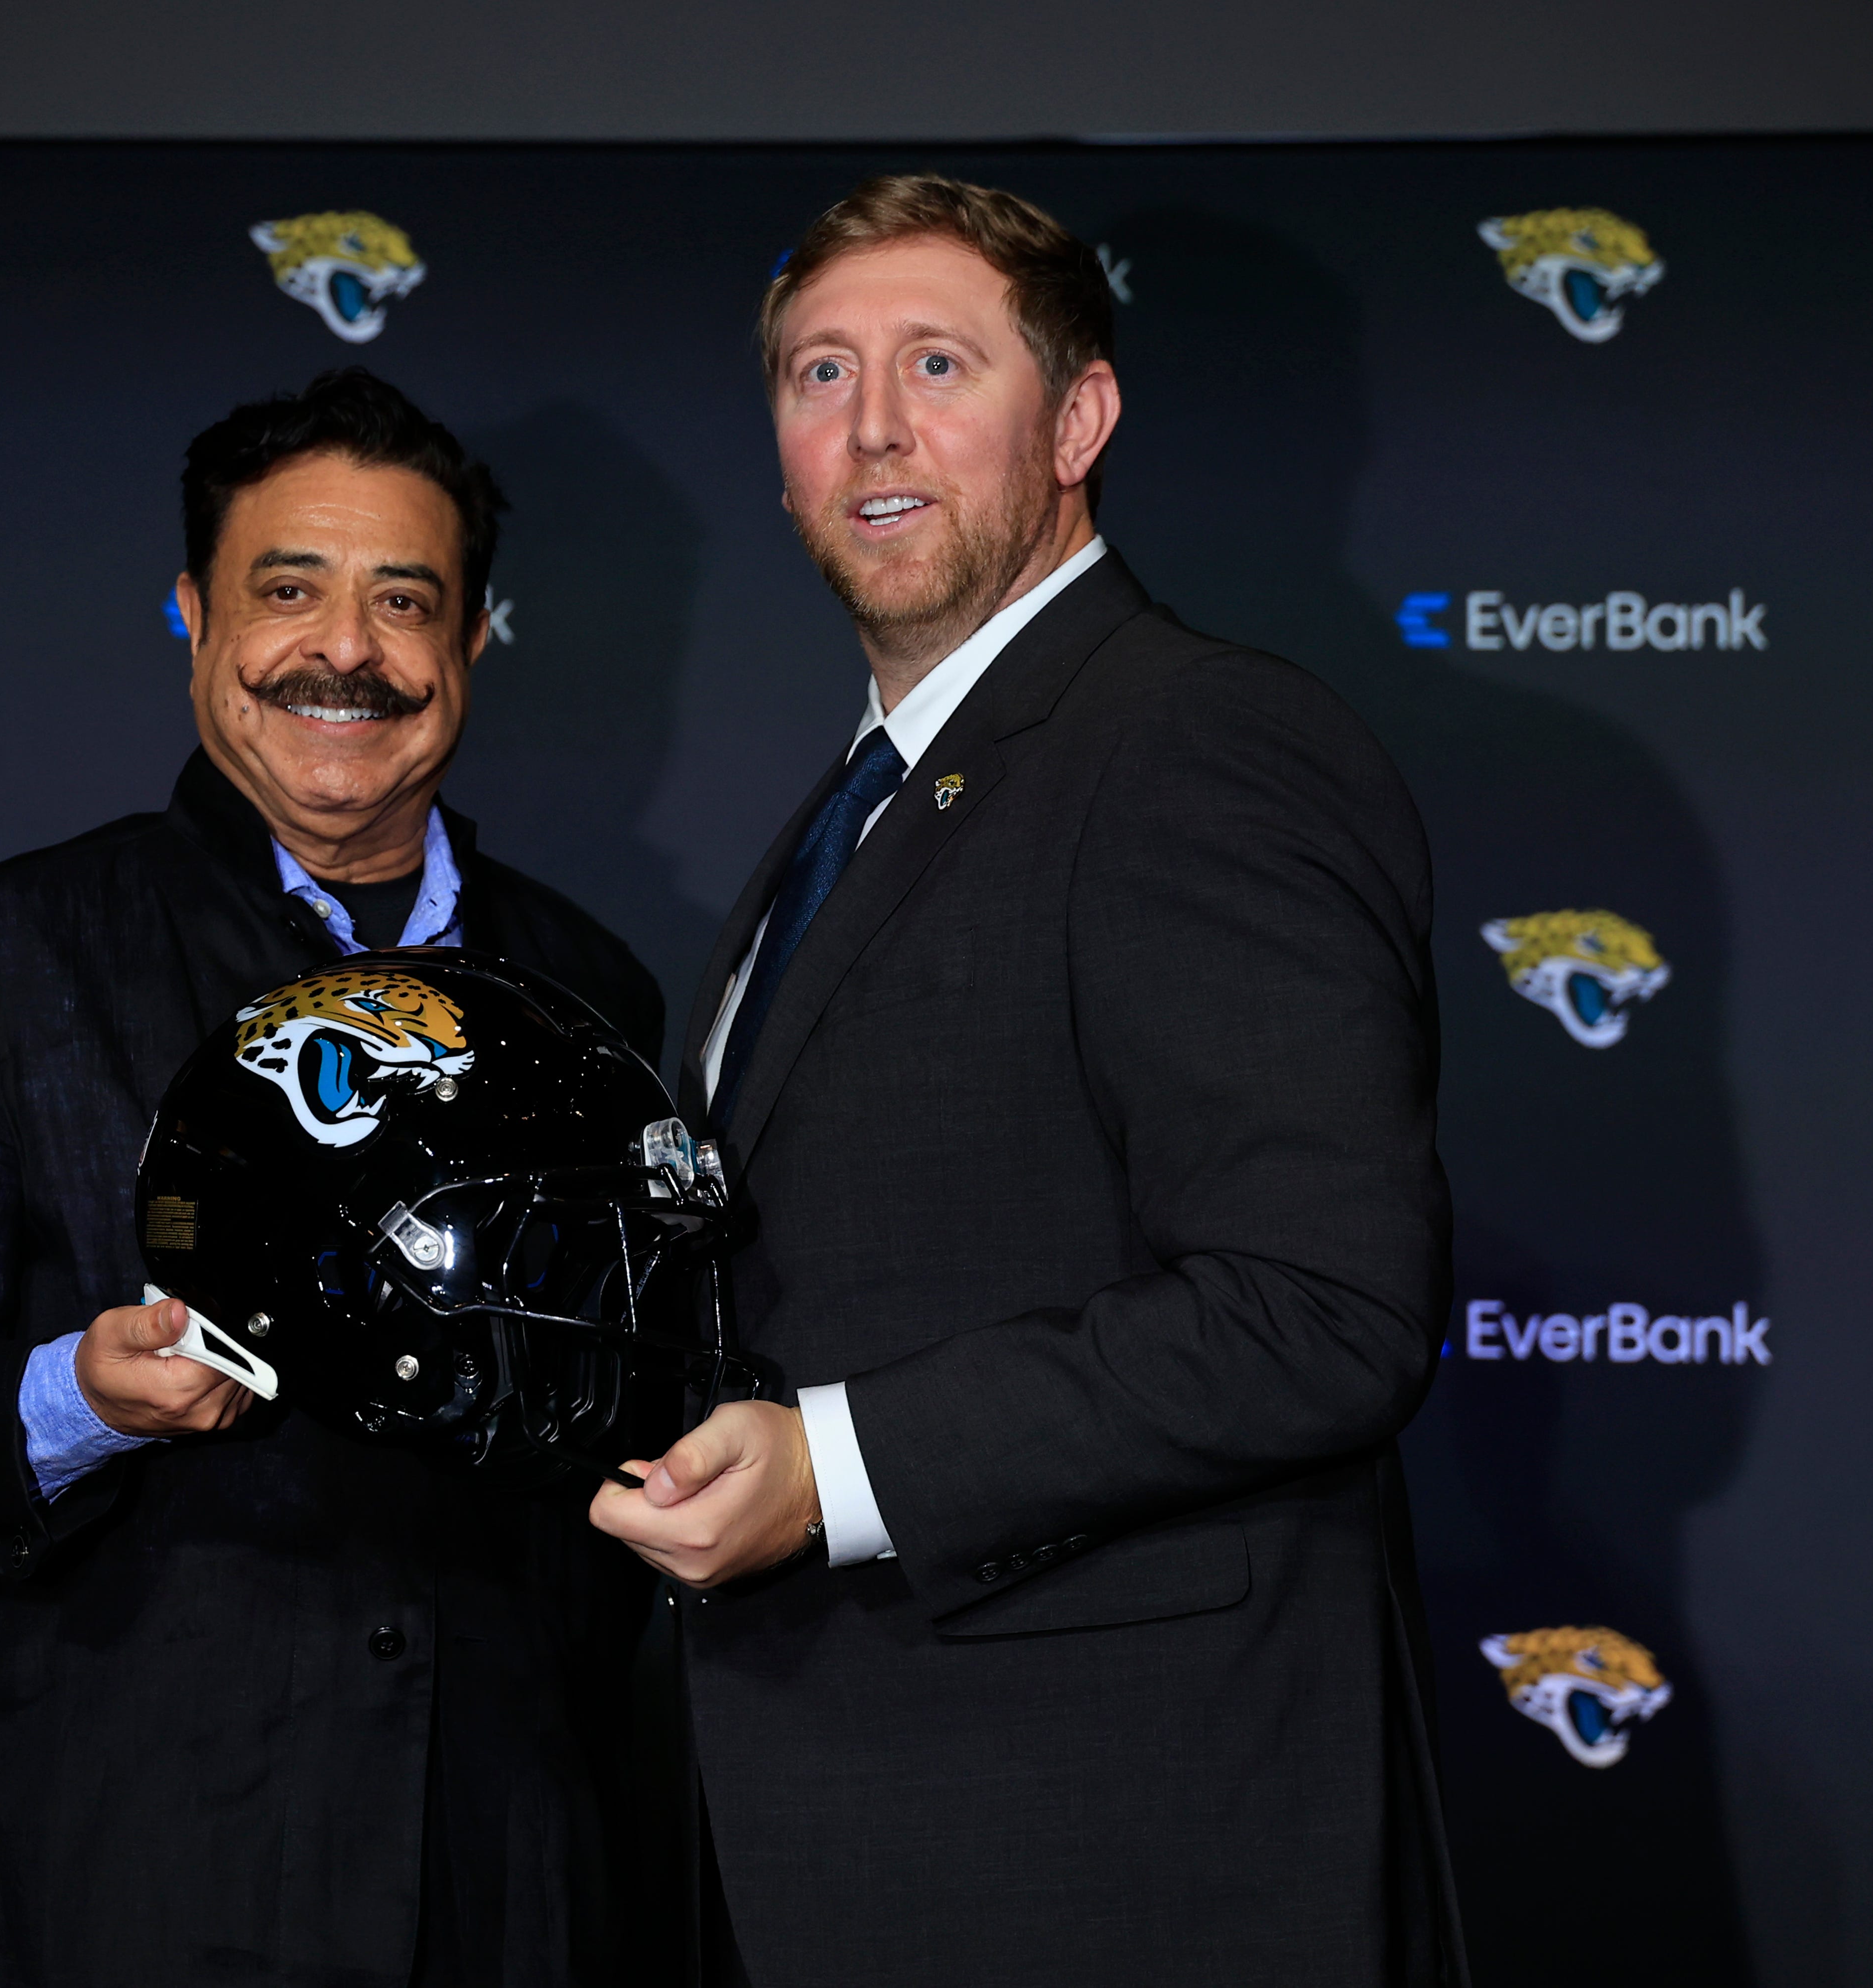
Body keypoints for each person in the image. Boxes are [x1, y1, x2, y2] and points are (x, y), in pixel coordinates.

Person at [589, 173, 1466, 1985]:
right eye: (820, 373)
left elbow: (1324, 1309)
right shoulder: (863, 805)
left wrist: (834, 1468)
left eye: (937, 363)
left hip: (1122, 1858)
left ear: (1078, 421)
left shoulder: (1197, 742)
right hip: (842, 1834)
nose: (873, 425)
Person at [0, 367, 663, 1987]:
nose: (347, 651)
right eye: (288, 590)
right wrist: (79, 1399)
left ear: (472, 640)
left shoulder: (591, 992)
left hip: (510, 1873)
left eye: (405, 601)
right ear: (194, 617)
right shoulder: (2, 959)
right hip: (135, 1874)